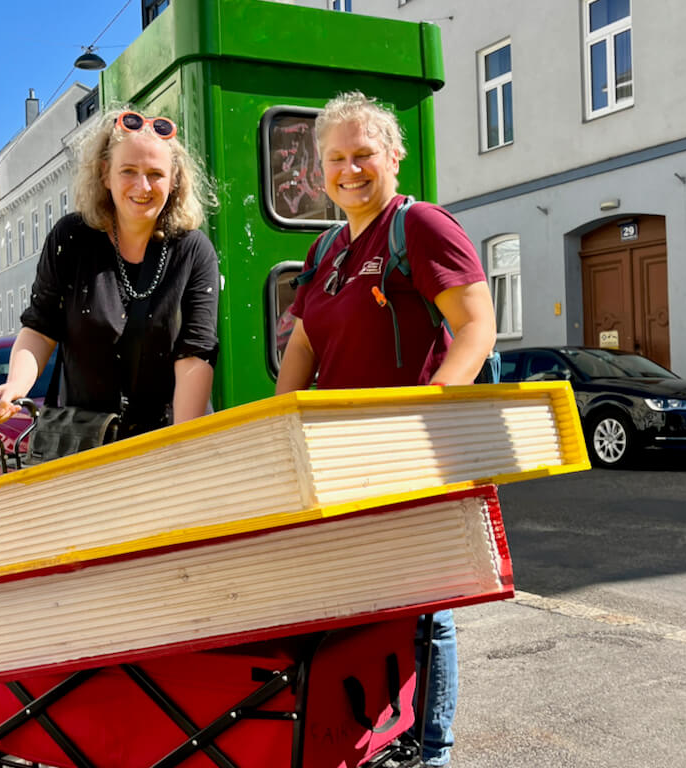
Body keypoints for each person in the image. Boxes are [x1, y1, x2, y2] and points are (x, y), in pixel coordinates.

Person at [275, 91, 497, 767]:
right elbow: (306, 347)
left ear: (393, 156)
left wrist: (426, 408)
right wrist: (281, 422)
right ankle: (375, 739)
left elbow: (476, 327)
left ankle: (431, 751)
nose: (350, 170)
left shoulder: (420, 226)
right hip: (340, 458)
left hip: (412, 449)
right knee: (361, 602)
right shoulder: (325, 249)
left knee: (426, 611)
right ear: (320, 170)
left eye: (363, 154)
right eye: (336, 158)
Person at [0, 107, 219, 437]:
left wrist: (182, 444)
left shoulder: (194, 250)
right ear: (105, 173)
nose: (142, 185)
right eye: (128, 171)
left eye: (155, 174)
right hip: (86, 439)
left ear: (175, 180)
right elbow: (40, 326)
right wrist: (15, 386)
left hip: (167, 433)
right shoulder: (71, 239)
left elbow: (195, 353)